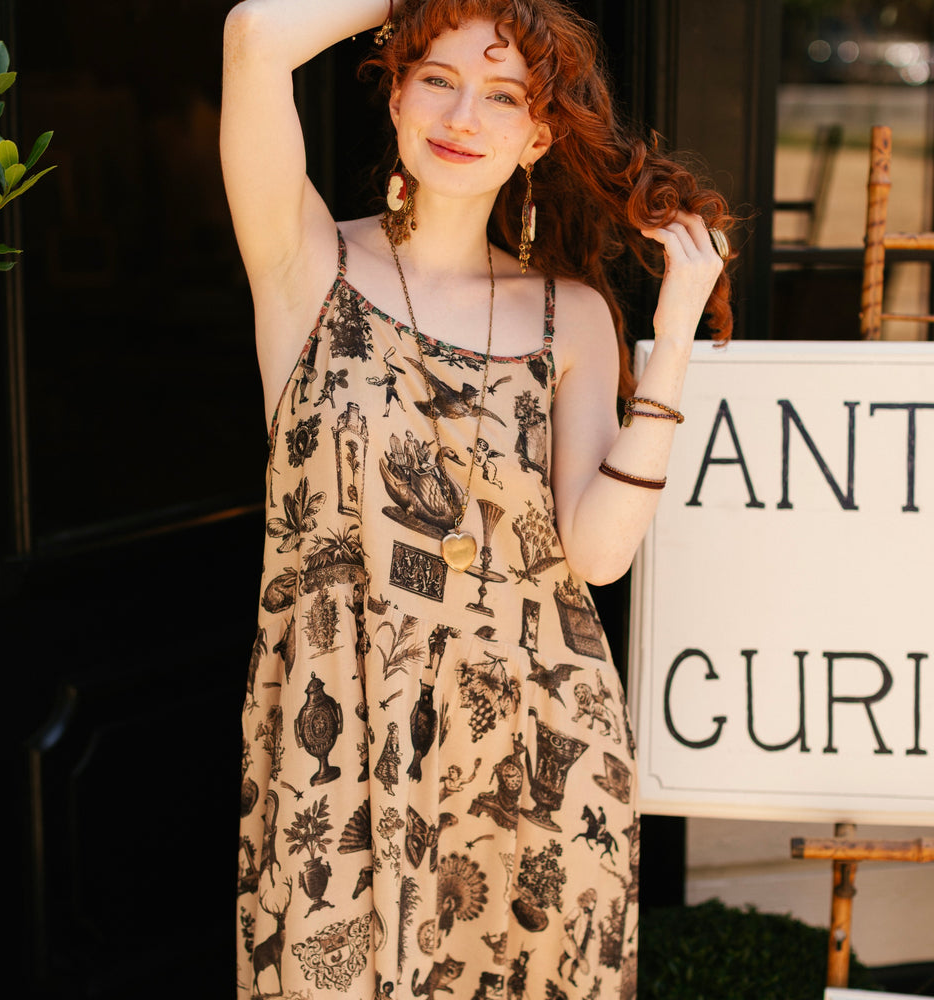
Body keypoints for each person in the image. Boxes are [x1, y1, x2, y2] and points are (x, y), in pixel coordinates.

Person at [222, 0, 731, 997]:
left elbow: (598, 556)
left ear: (538, 137)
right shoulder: (306, 264)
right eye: (438, 79)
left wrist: (672, 336)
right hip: (344, 740)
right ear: (396, 97)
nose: (464, 116)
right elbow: (255, 35)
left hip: (539, 749)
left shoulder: (570, 316)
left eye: (504, 96)